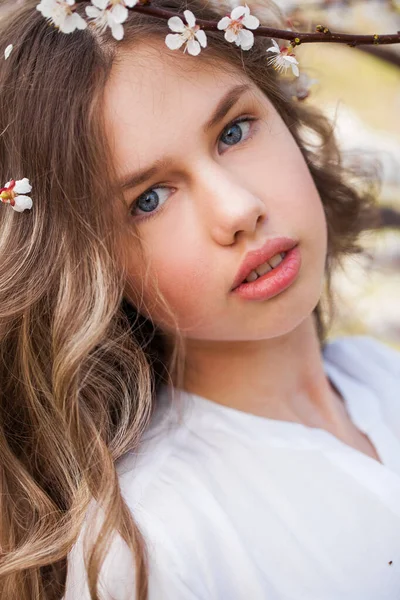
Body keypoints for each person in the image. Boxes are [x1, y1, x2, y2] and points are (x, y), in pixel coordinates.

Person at [0, 0, 399, 598]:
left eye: (233, 132)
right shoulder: (156, 544)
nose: (238, 210)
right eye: (150, 200)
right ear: (92, 270)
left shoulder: (380, 373)